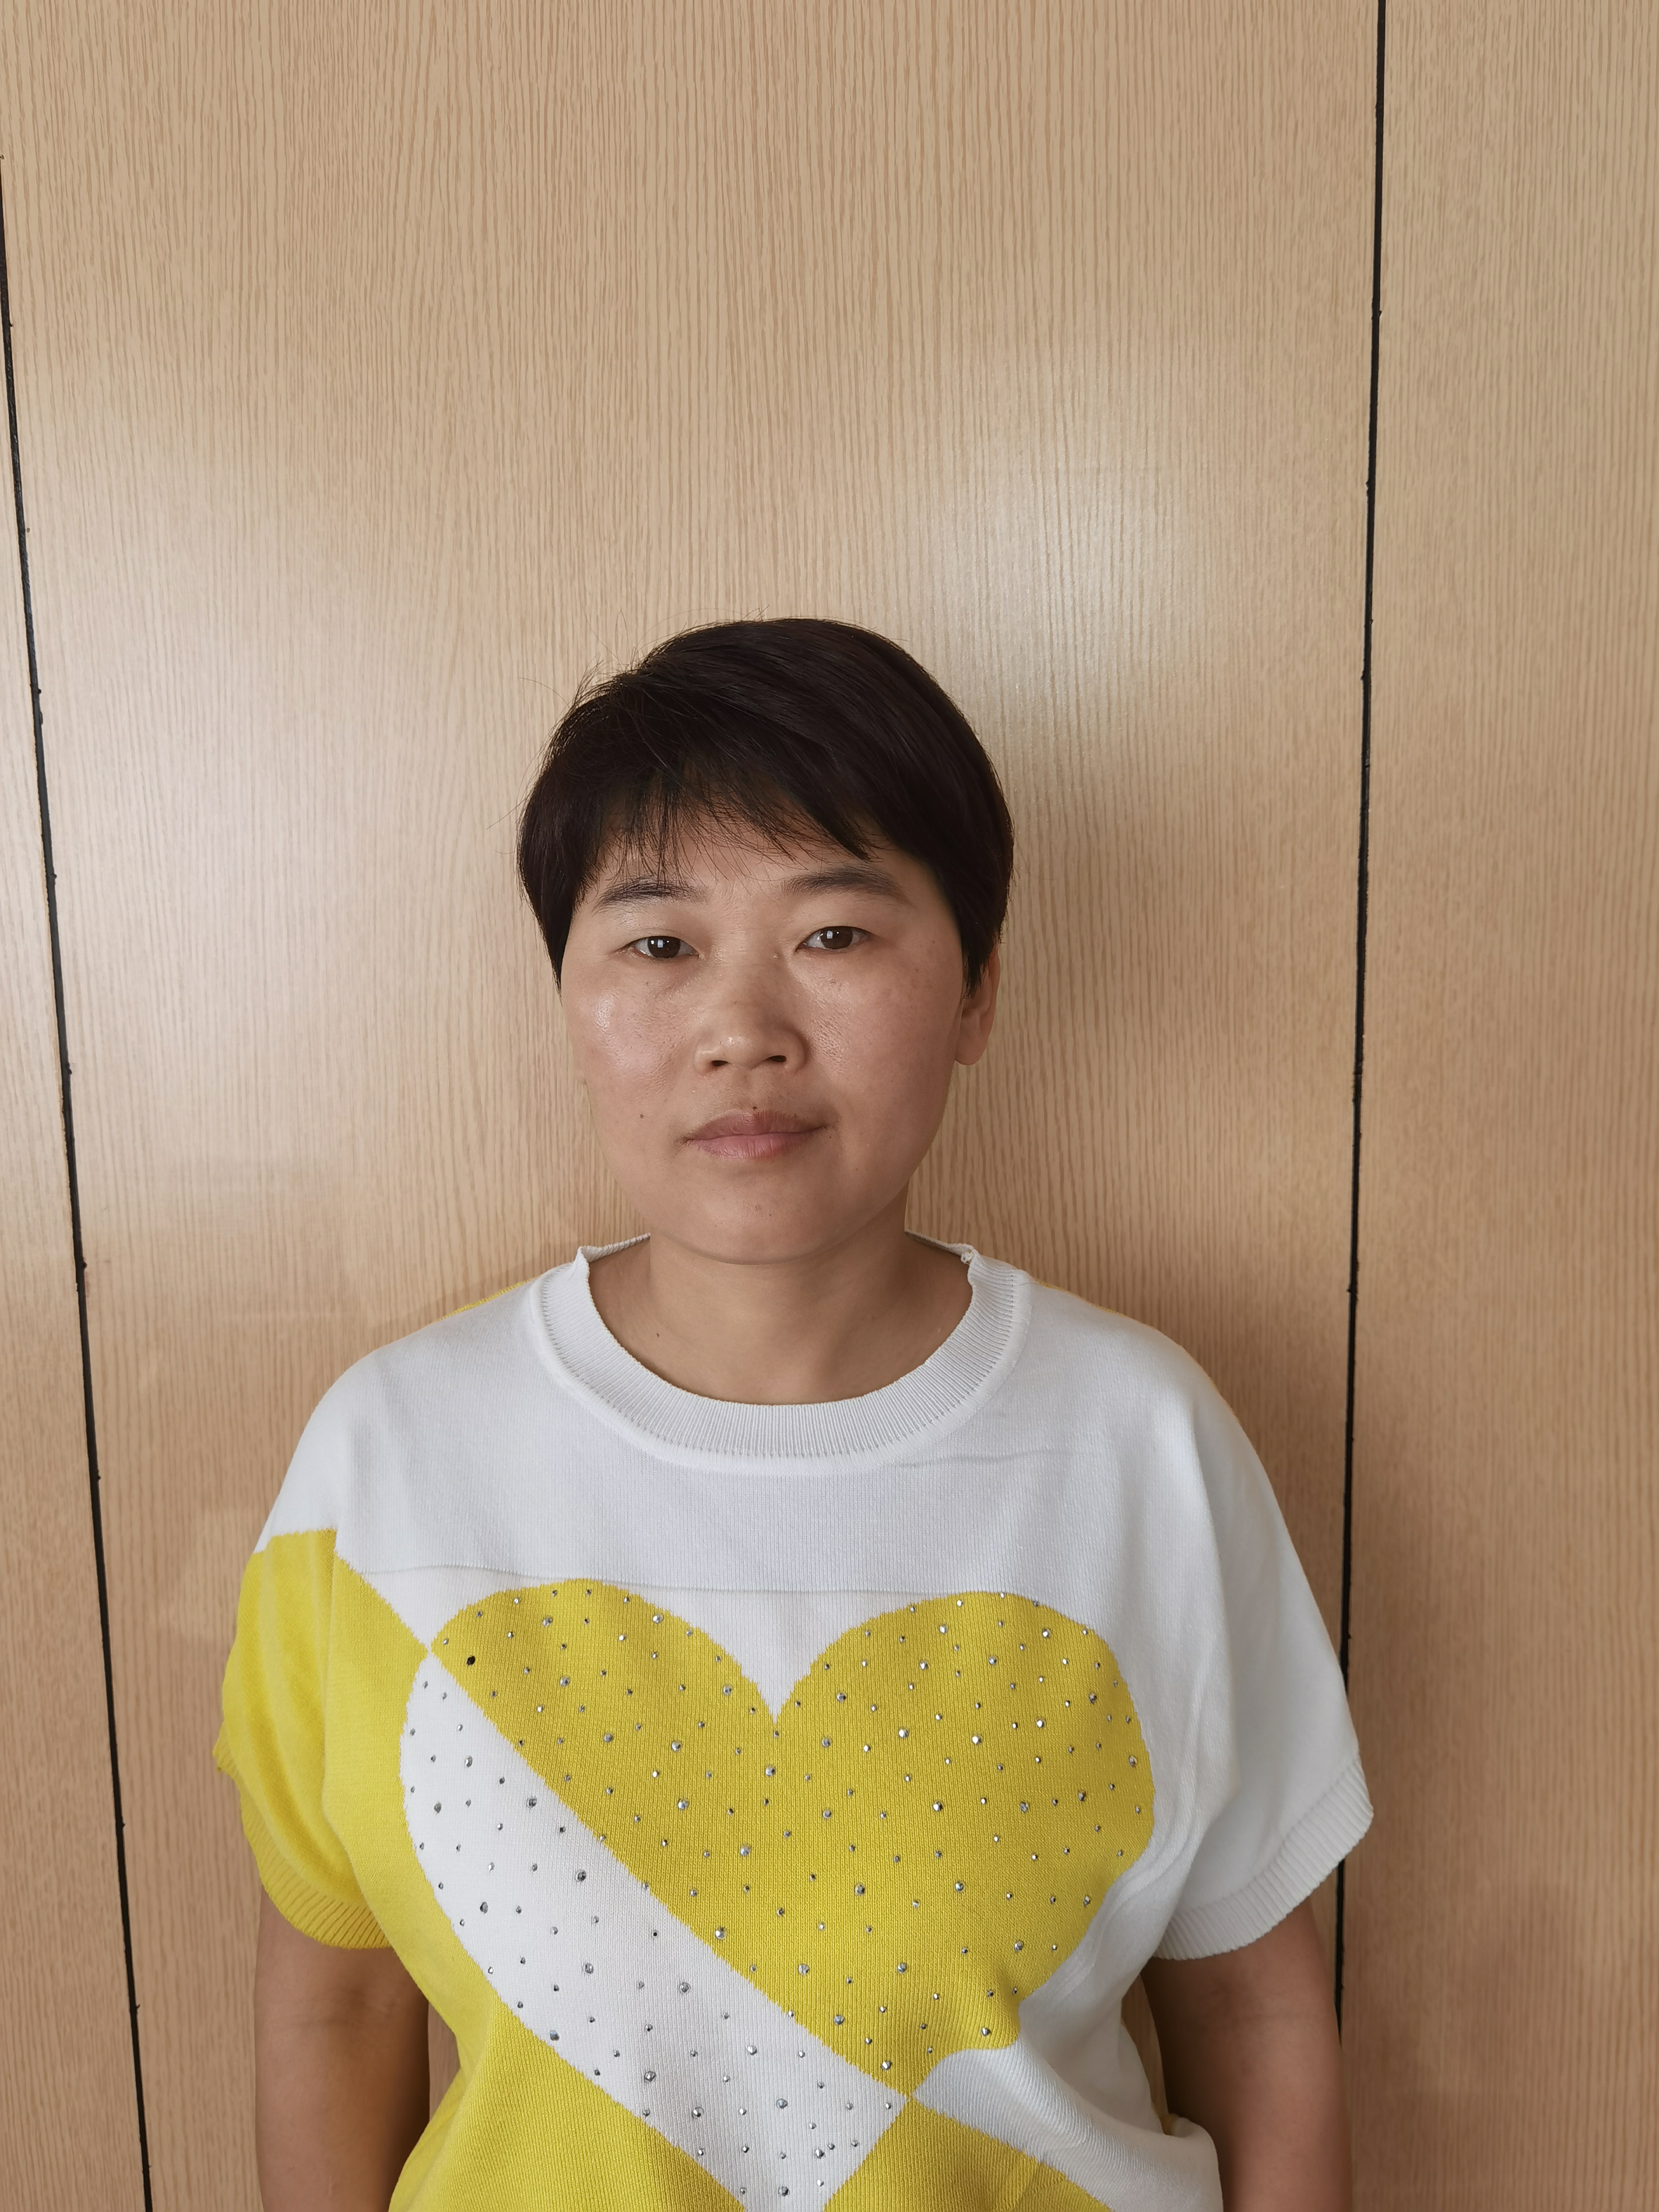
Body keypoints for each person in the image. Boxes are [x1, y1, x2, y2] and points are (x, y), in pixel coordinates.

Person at [219, 618, 1369, 2211]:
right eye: (658, 944)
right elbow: (334, 2004)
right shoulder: (389, 1457)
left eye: (833, 933)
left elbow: (1253, 2011)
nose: (744, 1026)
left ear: (976, 989)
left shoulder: (1141, 1440)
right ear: (567, 995)